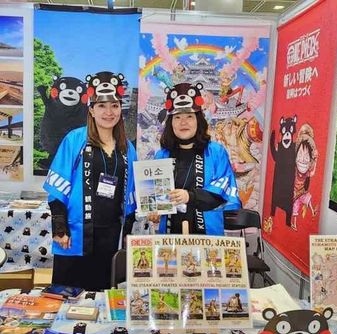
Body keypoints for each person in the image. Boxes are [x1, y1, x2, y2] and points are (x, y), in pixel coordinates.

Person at [44, 71, 137, 291]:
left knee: (102, 297)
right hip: (75, 235)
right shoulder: (75, 140)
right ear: (92, 109)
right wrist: (60, 227)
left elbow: (132, 196)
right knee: (67, 297)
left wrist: (127, 235)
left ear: (120, 109)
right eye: (101, 106)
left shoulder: (127, 147)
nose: (108, 112)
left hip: (111, 236)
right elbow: (57, 188)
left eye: (114, 106)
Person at [151, 82, 241, 235]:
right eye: (177, 117)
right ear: (171, 123)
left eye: (189, 116)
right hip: (170, 238)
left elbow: (222, 193)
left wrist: (190, 196)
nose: (183, 122)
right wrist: (154, 210)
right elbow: (155, 197)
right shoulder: (161, 156)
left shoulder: (216, 152)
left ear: (198, 120)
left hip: (208, 237)